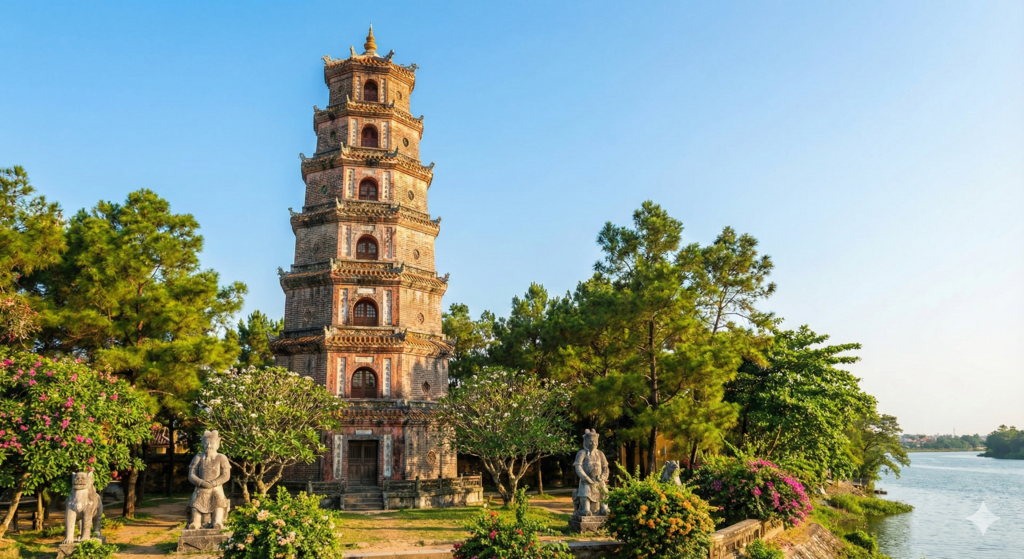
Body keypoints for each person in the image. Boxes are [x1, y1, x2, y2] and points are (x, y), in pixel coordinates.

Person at [186, 430, 231, 529]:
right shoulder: (198, 457)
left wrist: (214, 483)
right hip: (201, 487)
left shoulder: (221, 457)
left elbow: (226, 475)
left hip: (216, 487)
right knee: (196, 502)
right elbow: (191, 475)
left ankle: (217, 521)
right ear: (203, 444)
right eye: (206, 443)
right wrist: (201, 482)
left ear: (217, 444)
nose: (209, 446)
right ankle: (195, 522)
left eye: (212, 443)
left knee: (219, 500)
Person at [573, 429, 609, 516]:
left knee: (604, 491)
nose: (593, 444)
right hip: (586, 480)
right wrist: (585, 477)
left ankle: (604, 508)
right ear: (586, 441)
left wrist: (603, 476)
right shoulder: (582, 453)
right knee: (585, 491)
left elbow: (605, 467)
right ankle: (585, 509)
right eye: (591, 442)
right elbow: (578, 466)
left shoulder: (600, 453)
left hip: (599, 480)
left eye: (595, 442)